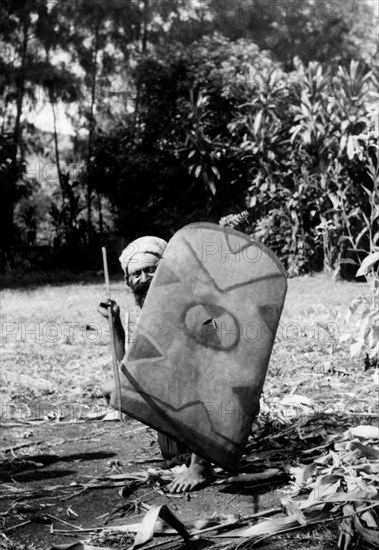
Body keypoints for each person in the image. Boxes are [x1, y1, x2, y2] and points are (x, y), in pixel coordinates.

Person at [98, 236, 214, 493]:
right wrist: (114, 324)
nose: (143, 278)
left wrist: (199, 464)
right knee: (114, 390)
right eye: (136, 273)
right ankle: (182, 451)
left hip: (212, 400)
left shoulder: (188, 305)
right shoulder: (150, 311)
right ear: (128, 282)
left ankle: (201, 462)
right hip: (177, 395)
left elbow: (209, 374)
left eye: (151, 269)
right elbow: (128, 371)